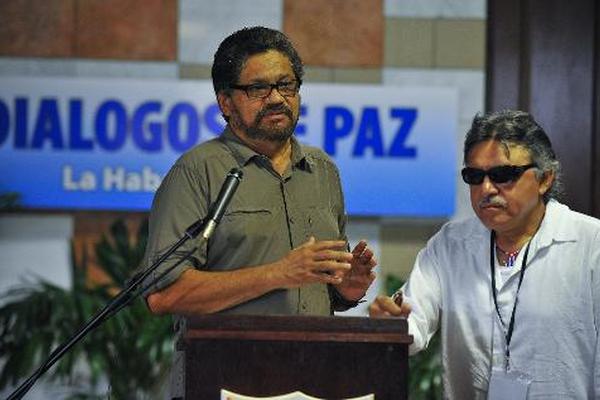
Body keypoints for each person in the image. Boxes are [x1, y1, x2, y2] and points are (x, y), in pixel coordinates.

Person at [140, 26, 377, 398]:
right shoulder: (197, 171)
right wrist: (278, 273)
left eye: (286, 85)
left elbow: (320, 289)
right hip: (225, 380)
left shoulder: (322, 170)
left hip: (315, 381)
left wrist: (346, 290)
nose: (277, 99)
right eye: (258, 89)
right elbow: (164, 295)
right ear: (226, 102)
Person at [370, 110, 600, 399]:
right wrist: (390, 324)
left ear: (545, 179)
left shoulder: (591, 245)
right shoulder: (451, 245)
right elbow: (411, 324)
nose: (486, 189)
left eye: (503, 175)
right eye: (474, 176)